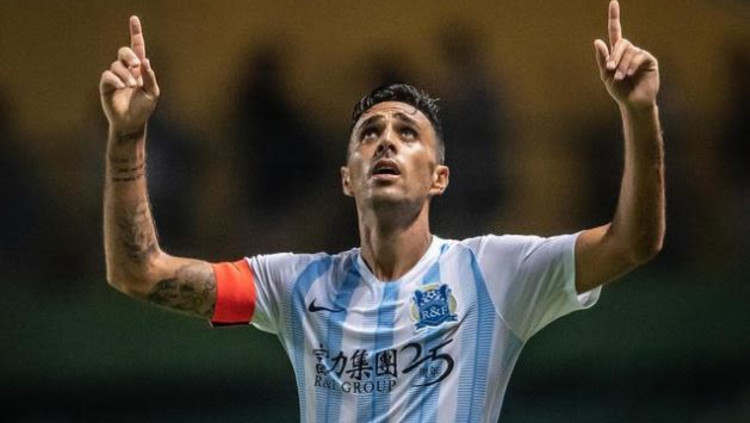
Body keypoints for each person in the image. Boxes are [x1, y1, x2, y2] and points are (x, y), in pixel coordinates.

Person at [99, 1, 664, 421]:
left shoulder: (494, 272)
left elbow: (633, 242)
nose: (387, 141)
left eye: (407, 133)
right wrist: (127, 136)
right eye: (370, 133)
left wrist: (639, 114)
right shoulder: (294, 285)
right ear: (348, 178)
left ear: (439, 177)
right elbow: (139, 273)